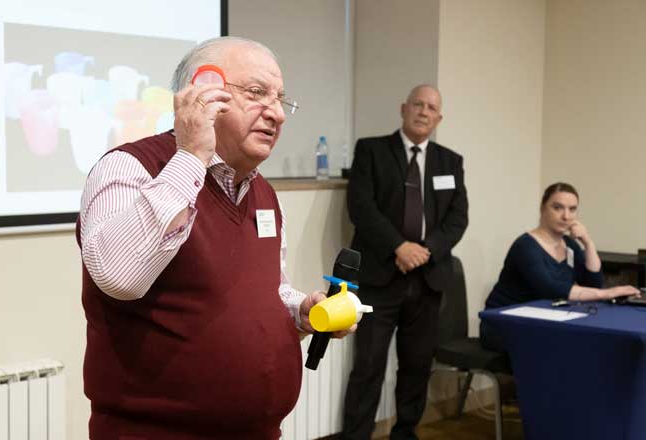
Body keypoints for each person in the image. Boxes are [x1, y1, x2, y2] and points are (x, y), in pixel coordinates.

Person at [76, 36, 350, 440]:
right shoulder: (130, 167)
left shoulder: (262, 192)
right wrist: (190, 156)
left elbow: (267, 289)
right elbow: (119, 277)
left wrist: (299, 311)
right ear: (203, 93)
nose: (277, 113)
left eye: (280, 99)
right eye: (256, 93)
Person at [342, 85, 468, 440]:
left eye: (431, 108)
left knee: (416, 366)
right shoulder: (371, 151)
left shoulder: (450, 162)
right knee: (368, 367)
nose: (424, 112)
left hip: (428, 280)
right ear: (403, 109)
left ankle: (405, 433)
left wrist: (424, 250)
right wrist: (398, 247)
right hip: (379, 277)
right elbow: (361, 208)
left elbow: (457, 219)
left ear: (439, 118)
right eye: (418, 104)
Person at [480, 182, 640, 352]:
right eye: (558, 208)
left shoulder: (570, 245)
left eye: (572, 209)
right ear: (543, 209)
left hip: (543, 321)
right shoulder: (525, 246)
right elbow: (550, 288)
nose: (566, 216)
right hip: (504, 324)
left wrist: (588, 242)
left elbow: (593, 283)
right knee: (574, 346)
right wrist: (608, 293)